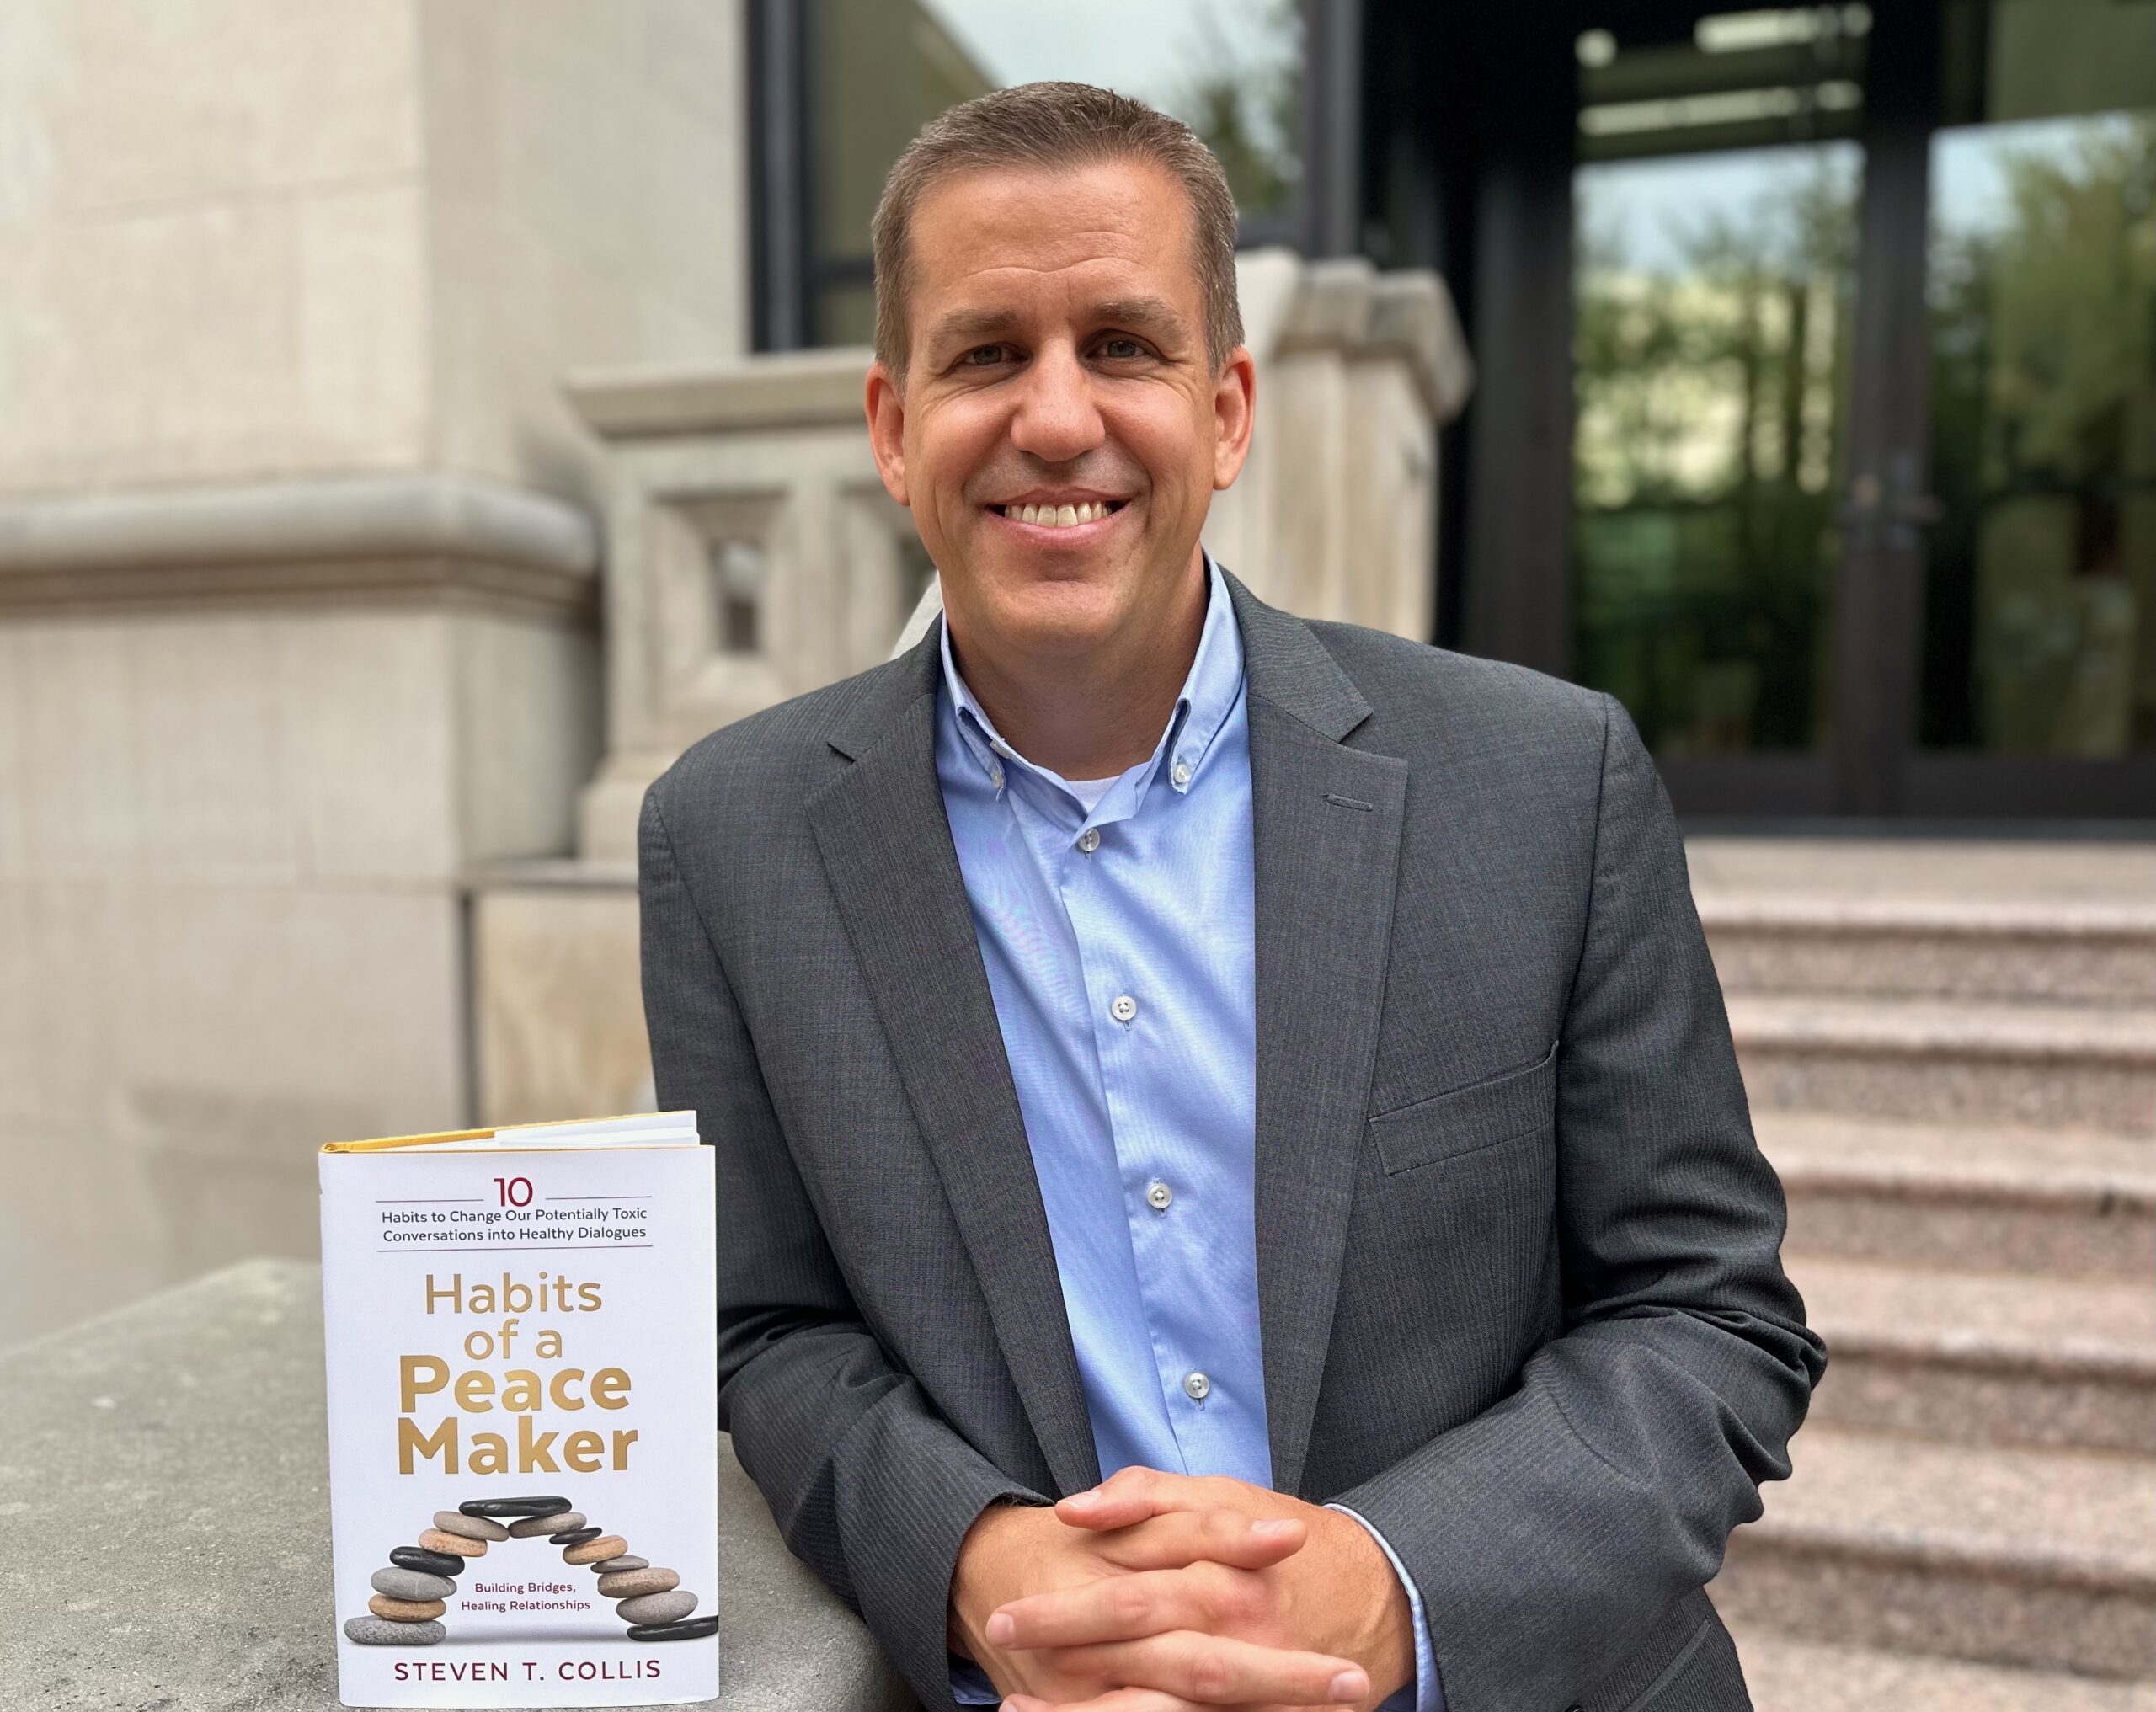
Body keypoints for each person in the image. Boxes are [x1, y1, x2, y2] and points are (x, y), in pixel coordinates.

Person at [638, 81, 1823, 1712]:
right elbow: (763, 1328)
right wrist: (975, 1562)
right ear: (893, 426)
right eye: (986, 354)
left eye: (1122, 345)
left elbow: (1706, 1320)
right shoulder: (729, 839)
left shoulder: (1546, 783)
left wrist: (1383, 1592)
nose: (1055, 419)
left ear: (1225, 410)